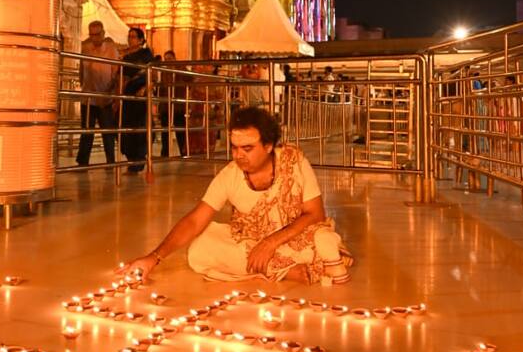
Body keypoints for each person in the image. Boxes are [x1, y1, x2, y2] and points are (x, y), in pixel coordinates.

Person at [118, 106, 353, 284]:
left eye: (247, 148)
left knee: (324, 240)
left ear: (269, 145)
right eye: (235, 147)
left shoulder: (294, 161)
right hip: (252, 243)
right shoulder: (230, 175)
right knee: (200, 250)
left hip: (295, 237)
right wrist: (154, 257)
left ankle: (278, 264)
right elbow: (195, 220)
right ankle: (284, 270)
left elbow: (315, 213)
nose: (239, 155)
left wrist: (271, 243)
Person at [76, 20, 118, 166]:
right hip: (88, 97)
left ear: (103, 33)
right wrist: (84, 87)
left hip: (105, 97)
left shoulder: (111, 50)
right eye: (91, 35)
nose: (94, 38)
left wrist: (110, 94)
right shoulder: (86, 49)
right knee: (87, 130)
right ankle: (82, 161)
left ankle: (110, 160)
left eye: (97, 34)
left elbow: (115, 73)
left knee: (107, 131)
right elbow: (82, 71)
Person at [118, 26, 154, 172]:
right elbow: (123, 78)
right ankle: (131, 159)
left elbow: (152, 75)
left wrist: (145, 89)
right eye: (129, 36)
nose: (130, 39)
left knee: (140, 128)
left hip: (141, 96)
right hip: (128, 96)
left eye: (133, 37)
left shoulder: (146, 55)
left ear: (140, 40)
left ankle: (139, 160)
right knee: (125, 128)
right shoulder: (126, 57)